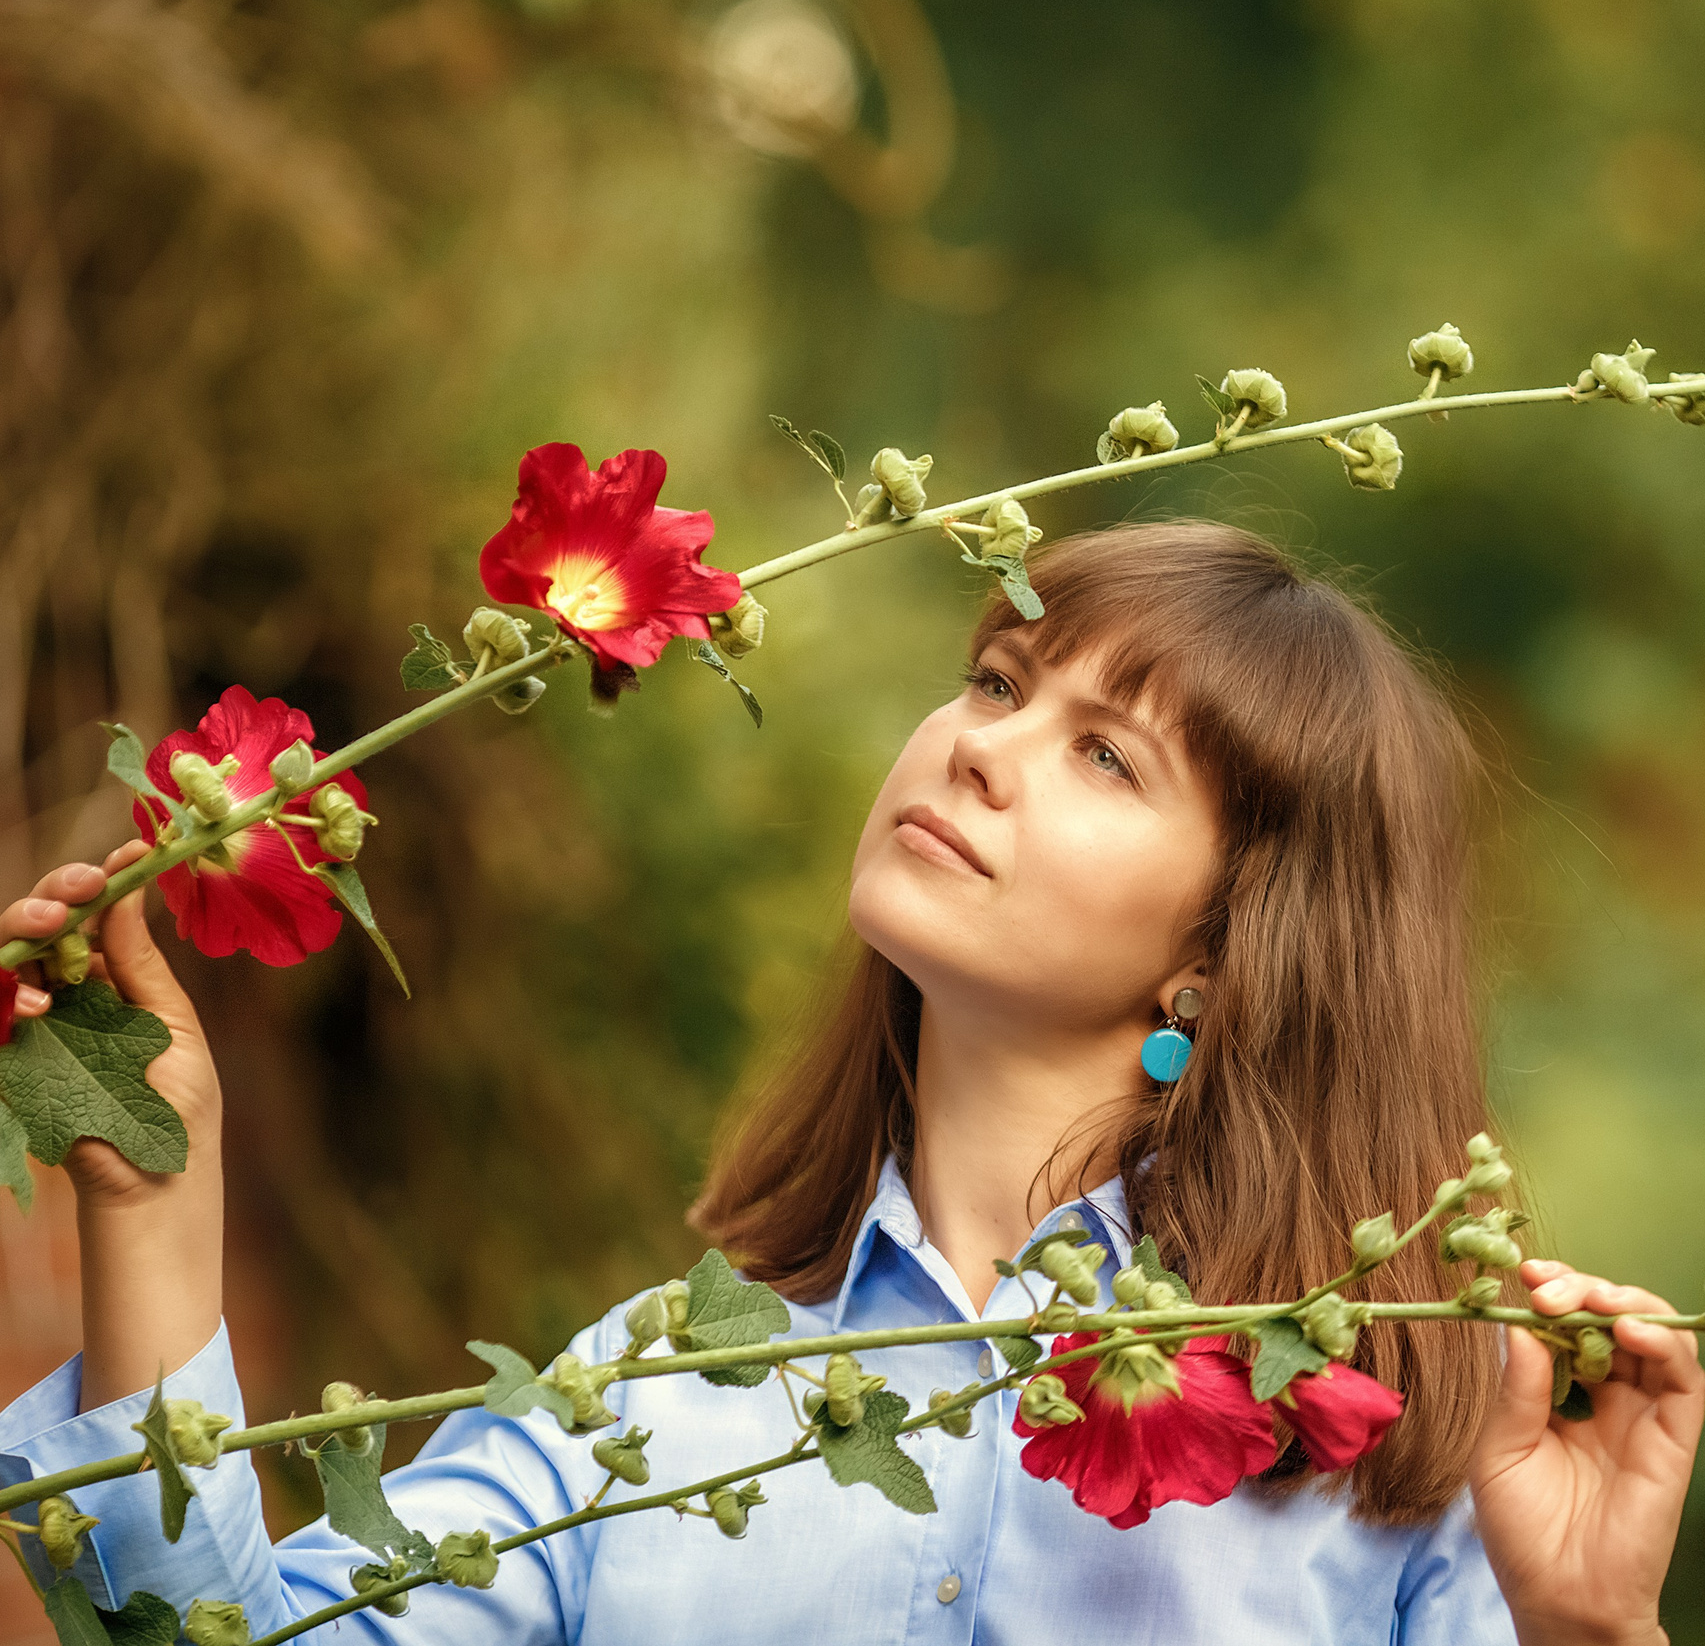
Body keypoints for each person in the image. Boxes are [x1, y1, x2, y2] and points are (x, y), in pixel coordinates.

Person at [1, 520, 1699, 1644]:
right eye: (994, 681)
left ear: (1225, 948)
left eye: (1104, 754)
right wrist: (157, 1194)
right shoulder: (644, 1401)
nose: (978, 744)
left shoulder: (1384, 1459)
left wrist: (1589, 1635)